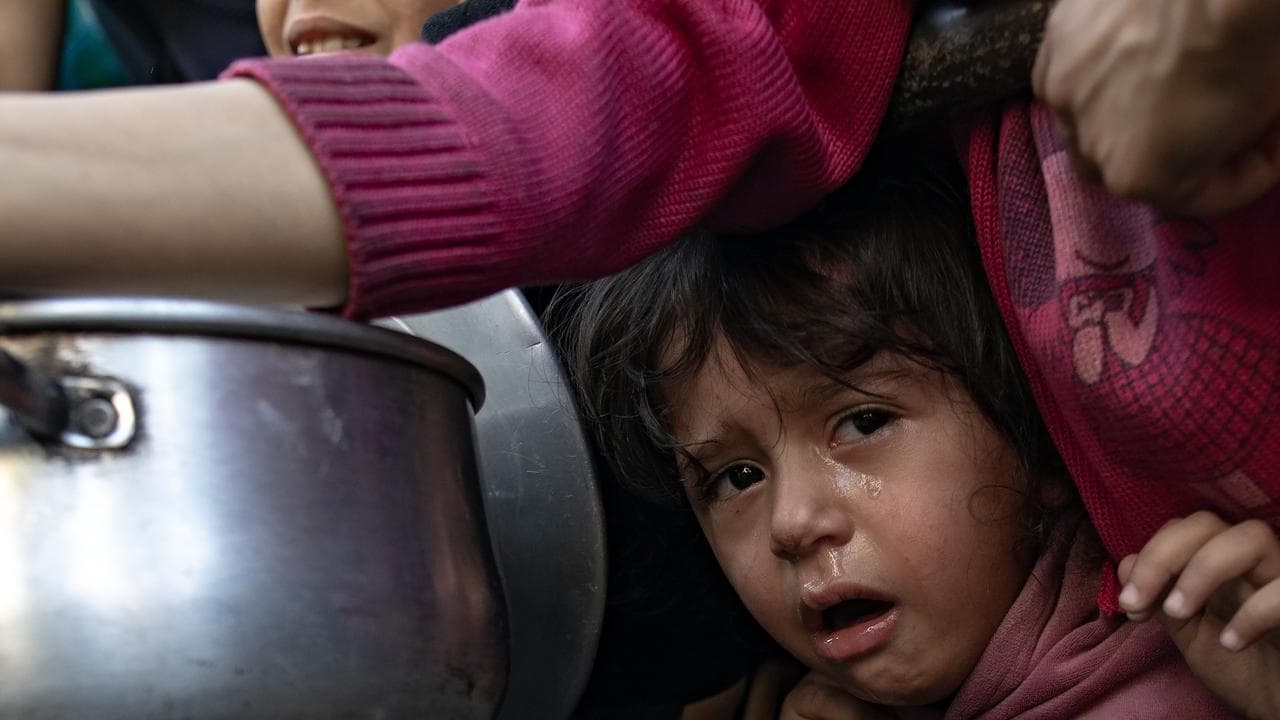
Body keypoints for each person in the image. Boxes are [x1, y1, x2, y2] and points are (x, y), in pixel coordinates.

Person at [548, 138, 1280, 719]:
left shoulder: (1219, 668)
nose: (792, 522)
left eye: (862, 421)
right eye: (736, 477)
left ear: (1039, 436)